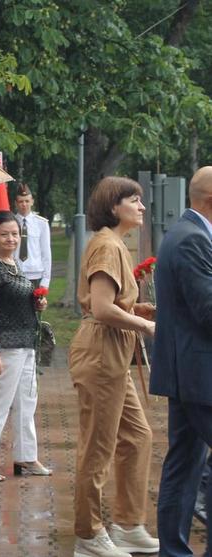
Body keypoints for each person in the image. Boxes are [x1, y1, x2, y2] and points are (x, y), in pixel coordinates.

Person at [69, 176, 158, 557]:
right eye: (133, 200)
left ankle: (127, 524)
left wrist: (138, 310)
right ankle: (88, 535)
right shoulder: (108, 245)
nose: (141, 207)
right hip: (101, 354)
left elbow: (107, 302)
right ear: (113, 206)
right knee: (98, 449)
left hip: (112, 355)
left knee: (138, 438)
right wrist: (146, 325)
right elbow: (102, 309)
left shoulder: (113, 244)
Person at [150, 166, 212, 557]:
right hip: (199, 374)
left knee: (183, 466)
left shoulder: (186, 234)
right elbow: (207, 310)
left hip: (188, 372)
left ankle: (173, 550)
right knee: (183, 466)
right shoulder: (192, 240)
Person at [0, 211, 50, 482]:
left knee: (27, 403)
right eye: (4, 234)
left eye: (15, 234)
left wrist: (36, 303)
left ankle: (26, 456)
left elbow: (15, 300)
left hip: (26, 343)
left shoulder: (13, 264)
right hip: (5, 344)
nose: (11, 239)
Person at [13, 184, 51, 289]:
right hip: (15, 273)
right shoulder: (11, 222)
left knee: (35, 305)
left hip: (35, 274)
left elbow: (46, 253)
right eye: (21, 201)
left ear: (32, 202)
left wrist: (46, 280)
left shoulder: (41, 223)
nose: (24, 204)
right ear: (16, 203)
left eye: (27, 201)